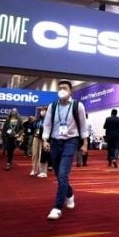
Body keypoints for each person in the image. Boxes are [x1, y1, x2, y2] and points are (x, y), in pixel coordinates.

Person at [42, 80, 88, 221]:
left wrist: (85, 143)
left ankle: (57, 207)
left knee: (63, 173)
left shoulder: (77, 106)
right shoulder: (53, 106)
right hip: (55, 141)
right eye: (60, 88)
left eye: (64, 88)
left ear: (70, 91)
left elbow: (83, 126)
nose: (62, 90)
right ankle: (69, 194)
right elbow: (47, 124)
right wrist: (45, 139)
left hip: (71, 141)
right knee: (58, 173)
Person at [30, 106, 48, 178]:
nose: (42, 112)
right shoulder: (38, 120)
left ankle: (43, 171)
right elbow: (34, 127)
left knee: (42, 154)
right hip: (36, 137)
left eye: (44, 110)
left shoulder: (49, 119)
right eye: (41, 110)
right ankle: (34, 169)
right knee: (34, 154)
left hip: (44, 138)